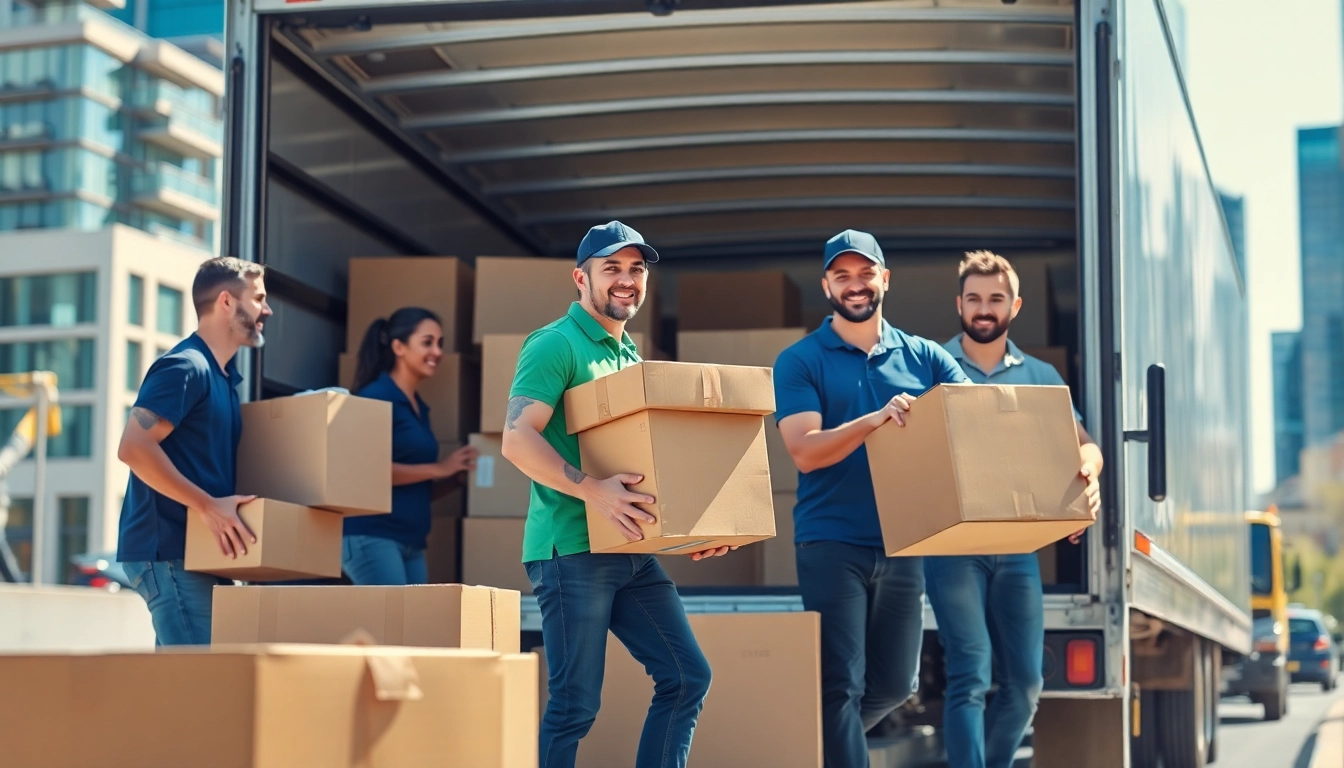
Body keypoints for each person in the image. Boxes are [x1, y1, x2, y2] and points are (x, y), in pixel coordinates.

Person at [501, 221, 727, 768]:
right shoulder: (556, 343)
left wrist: (687, 533)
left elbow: (642, 466)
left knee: (686, 675)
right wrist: (592, 492)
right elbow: (516, 438)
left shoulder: (629, 358)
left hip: (630, 551)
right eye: (612, 268)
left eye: (637, 269)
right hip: (571, 550)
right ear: (581, 278)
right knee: (575, 704)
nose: (627, 280)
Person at [773, 230, 969, 768]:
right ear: (826, 285)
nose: (855, 286)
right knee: (841, 684)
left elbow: (972, 424)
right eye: (843, 276)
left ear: (885, 278)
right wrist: (875, 420)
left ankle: (803, 751)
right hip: (830, 540)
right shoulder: (800, 360)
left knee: (893, 684)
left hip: (904, 541)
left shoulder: (925, 358)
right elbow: (805, 451)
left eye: (865, 274)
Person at [927, 250, 1103, 768]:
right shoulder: (931, 364)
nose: (985, 309)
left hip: (1018, 550)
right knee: (971, 671)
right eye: (975, 298)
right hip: (953, 549)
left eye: (996, 299)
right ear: (959, 303)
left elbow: (1086, 445)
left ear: (1015, 306)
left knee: (1026, 683)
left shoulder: (1040, 375)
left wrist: (1087, 478)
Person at [116, 257, 271, 646]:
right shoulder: (185, 367)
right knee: (202, 690)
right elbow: (133, 447)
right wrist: (207, 505)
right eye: (258, 298)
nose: (267, 310)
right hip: (170, 553)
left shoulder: (222, 379)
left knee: (180, 691)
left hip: (198, 554)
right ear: (225, 302)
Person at [343, 307, 478, 585]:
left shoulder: (419, 408)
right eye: (427, 342)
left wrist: (453, 480)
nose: (437, 352)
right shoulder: (375, 398)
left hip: (410, 542)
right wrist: (439, 468)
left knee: (413, 626)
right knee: (394, 626)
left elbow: (413, 488)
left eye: (440, 343)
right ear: (398, 347)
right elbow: (366, 474)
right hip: (372, 536)